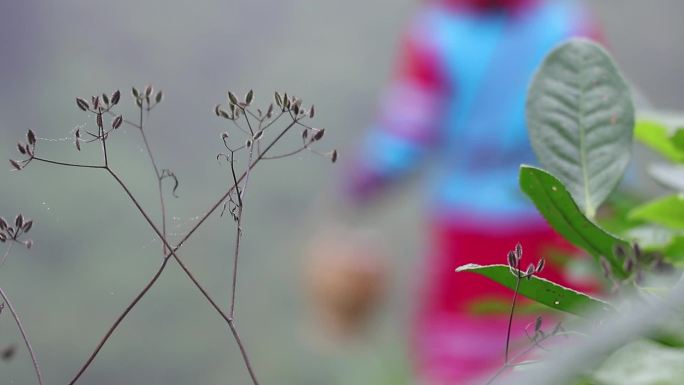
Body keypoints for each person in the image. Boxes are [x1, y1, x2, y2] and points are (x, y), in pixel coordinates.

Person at [338, 0, 602, 383]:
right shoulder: (567, 23)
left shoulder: (437, 34)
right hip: (556, 217)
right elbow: (599, 127)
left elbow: (408, 132)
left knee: (466, 363)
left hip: (470, 232)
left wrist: (358, 183)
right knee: (564, 348)